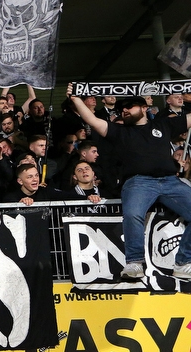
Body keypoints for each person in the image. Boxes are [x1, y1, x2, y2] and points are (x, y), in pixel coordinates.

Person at [69, 87, 191, 280]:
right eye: (121, 108)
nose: (124, 110)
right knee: (133, 214)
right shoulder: (119, 131)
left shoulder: (163, 125)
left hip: (171, 181)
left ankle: (183, 262)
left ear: (143, 108)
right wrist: (76, 100)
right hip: (138, 182)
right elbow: (92, 120)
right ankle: (134, 262)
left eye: (129, 106)